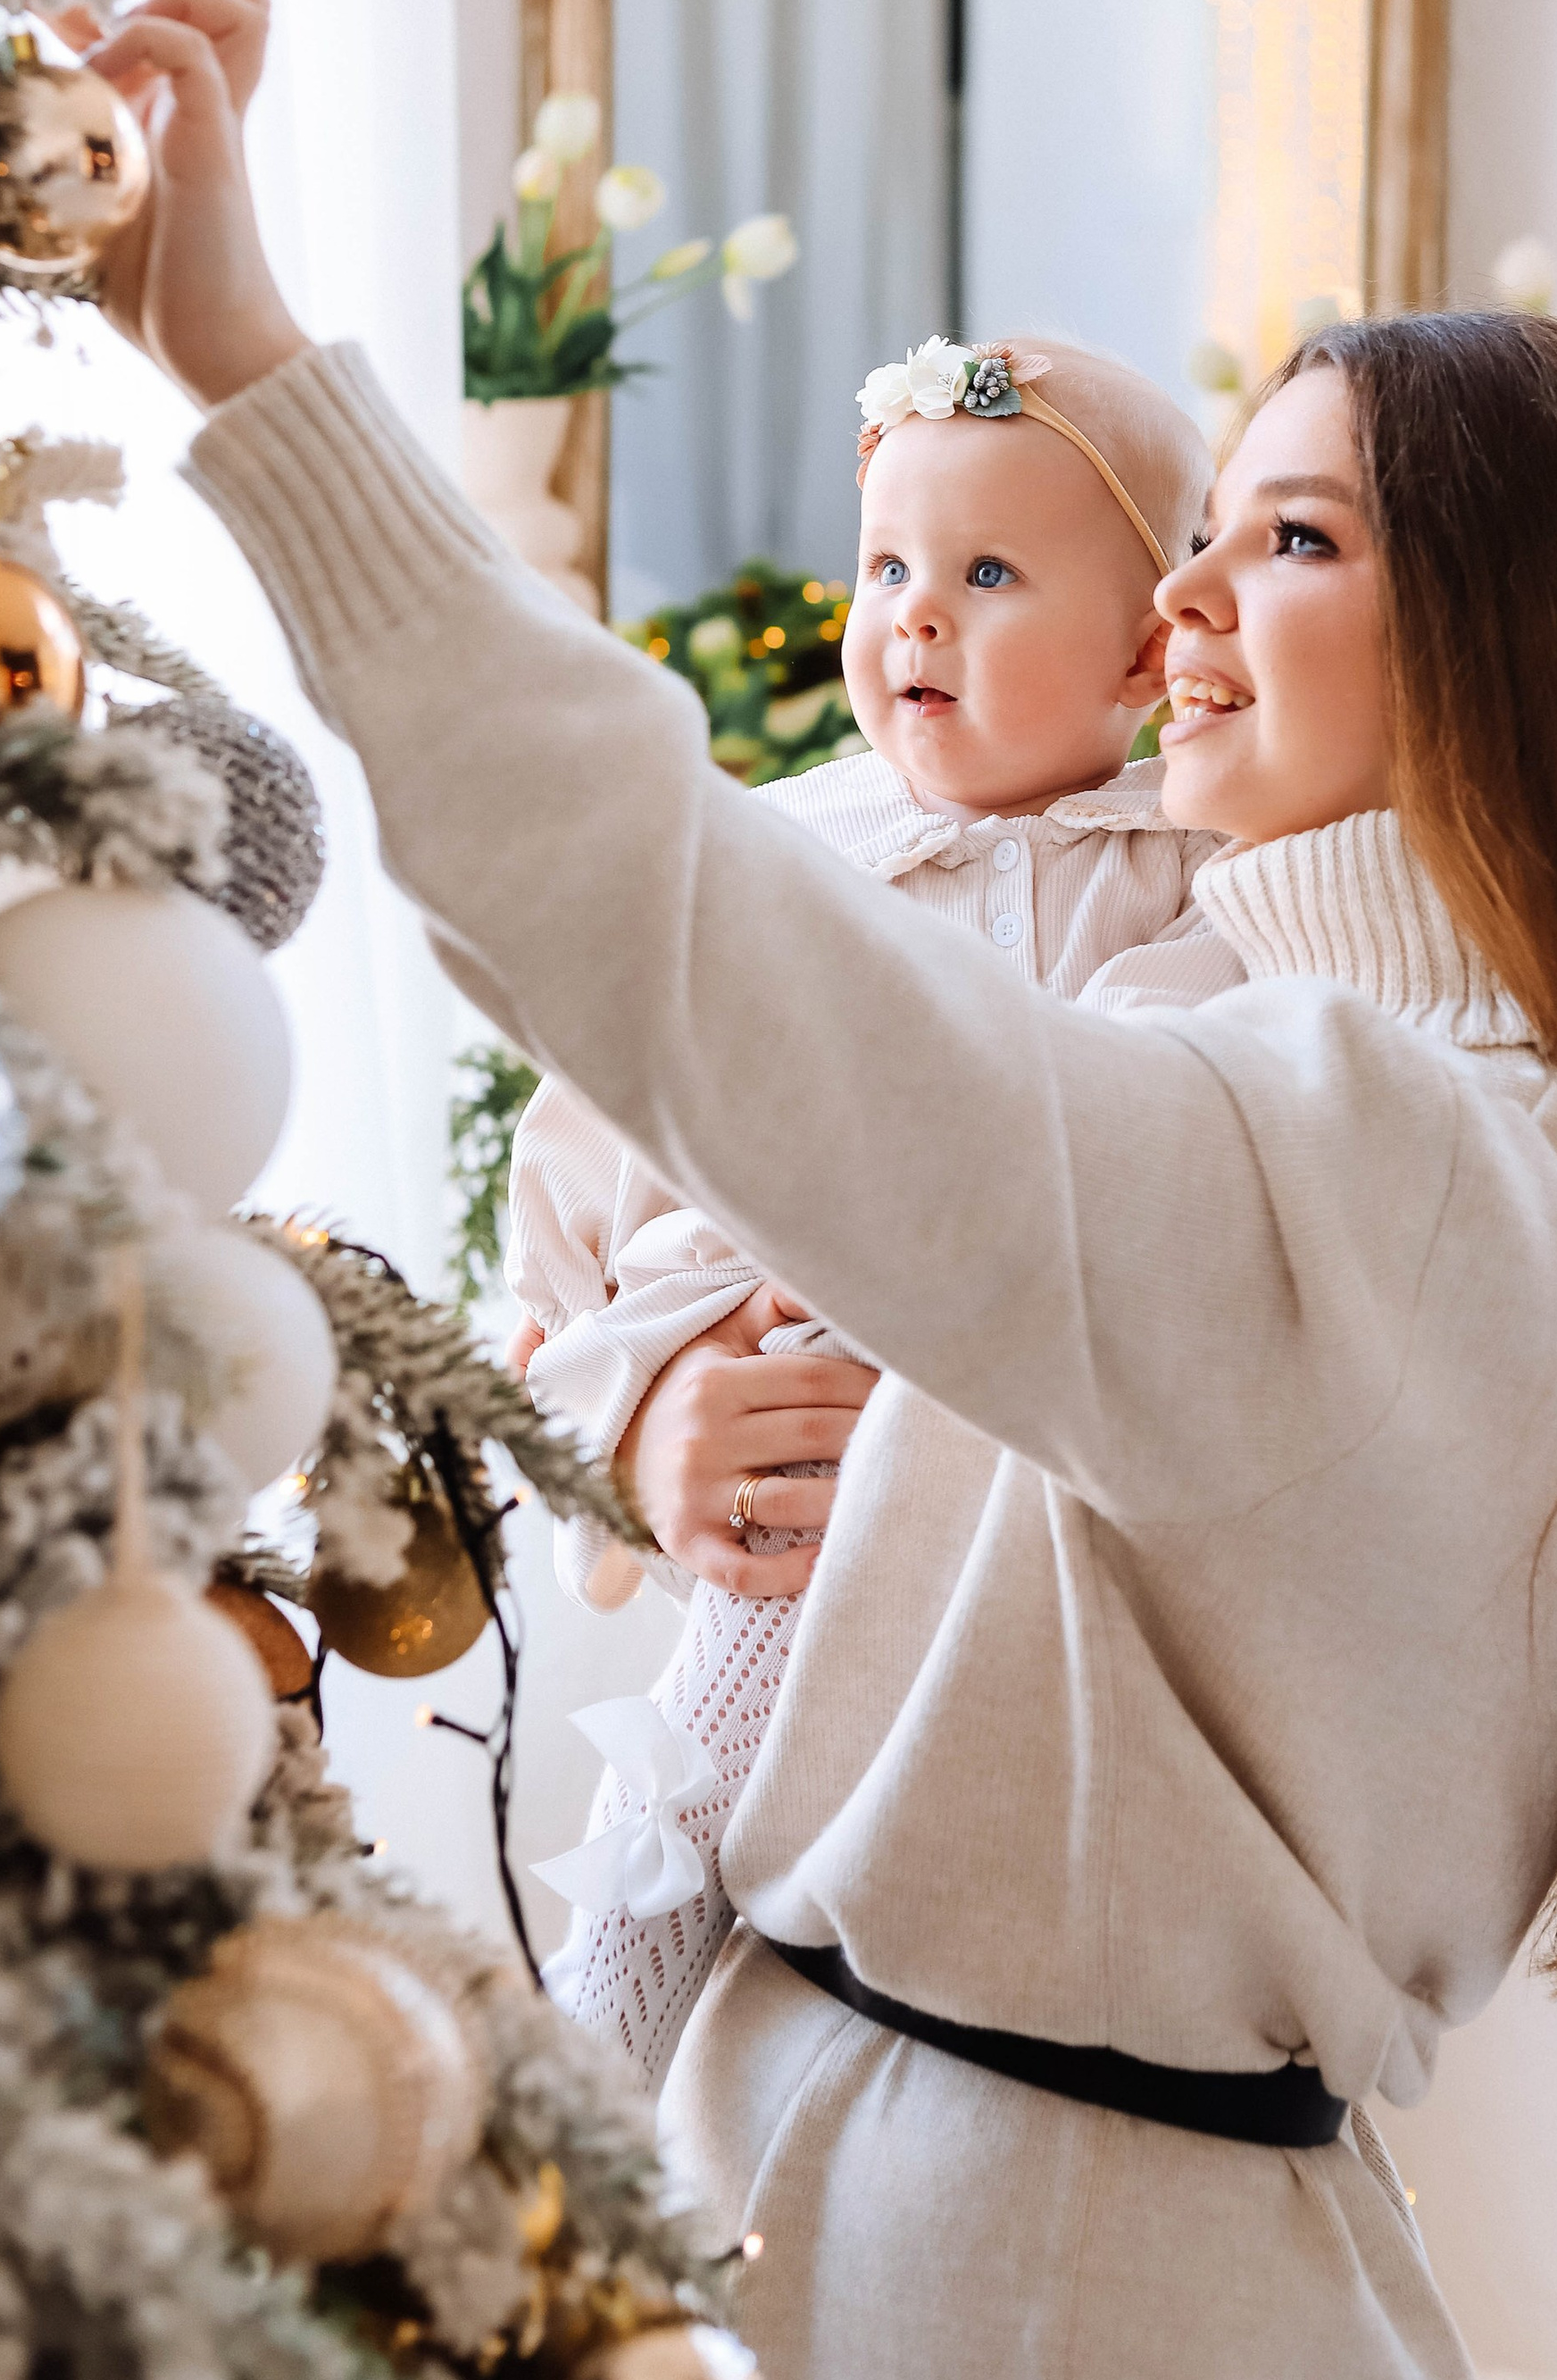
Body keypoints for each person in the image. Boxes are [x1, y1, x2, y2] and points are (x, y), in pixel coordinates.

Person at [89, 0, 1557, 2380]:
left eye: (1282, 539)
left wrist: (259, 372)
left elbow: (699, 955)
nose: (1177, 592)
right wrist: (646, 1437)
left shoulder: (1390, 1161)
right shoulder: (1325, 1091)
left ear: (1531, 658)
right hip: (950, 2219)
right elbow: (800, 1270)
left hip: (1037, 2312)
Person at [512, 330, 1236, 2087]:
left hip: (1010, 1464)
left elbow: (1193, 1151)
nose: (913, 616)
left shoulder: (1187, 873)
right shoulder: (773, 854)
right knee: (692, 1789)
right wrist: (600, 1429)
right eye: (891, 566)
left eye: (988, 575)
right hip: (771, 1393)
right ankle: (586, 2100)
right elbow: (587, 1146)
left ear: (1147, 647)